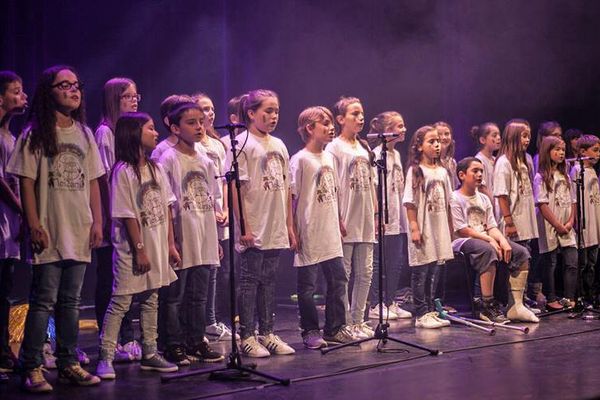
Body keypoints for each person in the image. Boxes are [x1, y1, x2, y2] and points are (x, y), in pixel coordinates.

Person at [7, 65, 103, 392]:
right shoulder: (35, 133)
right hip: (49, 228)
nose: (73, 91)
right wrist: (33, 223)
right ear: (50, 92)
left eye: (76, 85)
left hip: (79, 228)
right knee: (44, 300)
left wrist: (98, 221)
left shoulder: (84, 134)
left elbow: (93, 182)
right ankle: (31, 366)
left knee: (71, 302)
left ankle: (67, 363)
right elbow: (26, 181)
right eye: (64, 85)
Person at [95, 112, 180, 379]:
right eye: (150, 129)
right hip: (132, 249)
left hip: (155, 244)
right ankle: (105, 357)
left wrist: (170, 244)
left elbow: (166, 207)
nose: (156, 133)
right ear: (134, 133)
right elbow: (127, 214)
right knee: (121, 302)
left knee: (150, 300)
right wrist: (140, 248)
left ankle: (150, 353)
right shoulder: (123, 171)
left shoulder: (155, 168)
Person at [226, 89, 296, 357]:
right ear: (251, 113)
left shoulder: (279, 144)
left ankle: (267, 332)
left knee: (268, 281)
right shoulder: (242, 143)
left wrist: (288, 226)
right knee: (249, 281)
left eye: (276, 110)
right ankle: (247, 334)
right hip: (254, 224)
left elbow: (287, 189)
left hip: (275, 224)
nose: (273, 115)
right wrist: (244, 226)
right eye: (267, 110)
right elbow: (235, 187)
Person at [157, 102, 224, 365]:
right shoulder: (168, 159)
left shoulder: (206, 160)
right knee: (174, 296)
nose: (199, 126)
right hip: (182, 236)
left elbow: (212, 199)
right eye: (191, 122)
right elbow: (167, 203)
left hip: (204, 236)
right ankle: (172, 343)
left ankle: (195, 340)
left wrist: (216, 238)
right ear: (175, 128)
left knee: (199, 294)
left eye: (200, 121)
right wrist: (171, 242)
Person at [291, 106, 355, 349]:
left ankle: (335, 327)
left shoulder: (329, 157)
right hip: (309, 228)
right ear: (310, 128)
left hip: (329, 229)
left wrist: (338, 219)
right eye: (325, 123)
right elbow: (293, 197)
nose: (331, 128)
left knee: (338, 279)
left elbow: (334, 191)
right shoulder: (300, 160)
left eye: (331, 123)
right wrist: (292, 229)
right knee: (307, 285)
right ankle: (309, 331)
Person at [94, 77, 142, 362]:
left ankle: (127, 337)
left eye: (136, 96)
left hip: (130, 214)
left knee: (128, 281)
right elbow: (104, 178)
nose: (134, 101)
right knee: (111, 280)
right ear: (114, 99)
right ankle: (109, 337)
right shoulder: (105, 133)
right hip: (114, 216)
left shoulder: (128, 133)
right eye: (127, 97)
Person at [451, 157, 532, 323]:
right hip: (462, 241)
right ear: (461, 175)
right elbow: (462, 229)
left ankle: (515, 305)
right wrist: (489, 240)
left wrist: (501, 240)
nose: (480, 174)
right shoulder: (455, 197)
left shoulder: (484, 199)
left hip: (483, 238)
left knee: (522, 253)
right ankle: (486, 305)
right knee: (487, 250)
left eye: (481, 171)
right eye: (475, 171)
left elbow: (492, 226)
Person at [326, 96, 376, 339]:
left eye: (361, 113)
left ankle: (359, 320)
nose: (360, 118)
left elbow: (372, 183)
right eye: (354, 114)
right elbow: (331, 185)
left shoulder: (364, 147)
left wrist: (375, 212)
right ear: (340, 119)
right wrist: (337, 217)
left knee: (365, 271)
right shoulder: (334, 147)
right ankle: (344, 321)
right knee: (343, 274)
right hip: (346, 216)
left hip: (365, 217)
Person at [192, 92, 234, 342]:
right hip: (201, 213)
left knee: (219, 270)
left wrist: (226, 209)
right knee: (205, 269)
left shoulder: (218, 145)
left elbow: (224, 182)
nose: (209, 114)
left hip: (220, 213)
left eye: (211, 109)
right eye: (204, 110)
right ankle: (203, 321)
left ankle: (212, 318)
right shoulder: (193, 145)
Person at [402, 125, 454, 329]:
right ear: (419, 146)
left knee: (434, 270)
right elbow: (410, 202)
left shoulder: (442, 171)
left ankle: (431, 309)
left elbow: (449, 202)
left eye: (438, 141)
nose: (437, 145)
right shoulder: (415, 171)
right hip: (423, 229)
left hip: (438, 228)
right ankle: (421, 312)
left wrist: (450, 228)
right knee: (421, 271)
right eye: (431, 141)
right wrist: (414, 227)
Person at [493, 119, 540, 322]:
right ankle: (508, 302)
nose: (527, 140)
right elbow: (501, 195)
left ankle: (519, 300)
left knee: (525, 258)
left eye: (529, 135)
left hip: (526, 221)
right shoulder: (504, 162)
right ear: (513, 137)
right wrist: (509, 221)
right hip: (513, 221)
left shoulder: (524, 161)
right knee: (513, 262)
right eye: (524, 135)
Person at [366, 111, 412, 320]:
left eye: (403, 126)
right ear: (386, 131)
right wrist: (377, 216)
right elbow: (375, 187)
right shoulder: (377, 153)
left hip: (397, 216)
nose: (403, 130)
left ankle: (390, 301)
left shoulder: (397, 155)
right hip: (383, 217)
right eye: (399, 126)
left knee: (395, 262)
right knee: (377, 263)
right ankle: (375, 304)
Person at [0, 71, 27, 381]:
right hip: (6, 220)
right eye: (16, 92)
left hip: (10, 227)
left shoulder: (11, 137)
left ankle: (6, 350)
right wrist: (23, 210)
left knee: (6, 290)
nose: (23, 97)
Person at [534, 136, 577, 310]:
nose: (561, 153)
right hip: (550, 224)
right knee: (550, 261)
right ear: (547, 151)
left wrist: (571, 220)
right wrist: (557, 224)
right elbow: (542, 203)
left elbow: (573, 200)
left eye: (563, 150)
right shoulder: (541, 177)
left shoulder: (566, 175)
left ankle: (569, 297)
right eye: (557, 149)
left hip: (567, 224)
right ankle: (551, 297)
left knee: (571, 260)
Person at [570, 135, 600, 305]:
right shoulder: (576, 170)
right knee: (583, 263)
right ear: (583, 151)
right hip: (584, 226)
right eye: (595, 150)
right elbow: (575, 198)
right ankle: (579, 296)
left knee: (592, 263)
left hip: (595, 225)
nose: (598, 154)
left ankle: (590, 295)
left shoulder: (593, 171)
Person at [471, 122, 501, 208]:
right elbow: (482, 188)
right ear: (483, 140)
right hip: (488, 205)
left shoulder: (496, 160)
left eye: (499, 135)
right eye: (494, 135)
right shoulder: (479, 160)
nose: (498, 138)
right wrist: (493, 206)